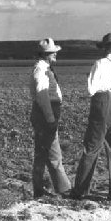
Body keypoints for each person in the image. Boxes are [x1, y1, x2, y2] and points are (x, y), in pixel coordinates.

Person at [70, 33, 111, 205]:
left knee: (92, 146)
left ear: (105, 47)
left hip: (102, 103)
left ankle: (80, 190)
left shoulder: (99, 64)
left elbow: (91, 89)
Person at [29, 38, 72, 199]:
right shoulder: (41, 70)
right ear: (46, 54)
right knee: (53, 153)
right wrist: (50, 118)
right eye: (53, 52)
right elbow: (42, 96)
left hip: (45, 114)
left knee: (42, 152)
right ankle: (63, 189)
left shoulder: (45, 68)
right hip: (45, 114)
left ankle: (39, 189)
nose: (55, 54)